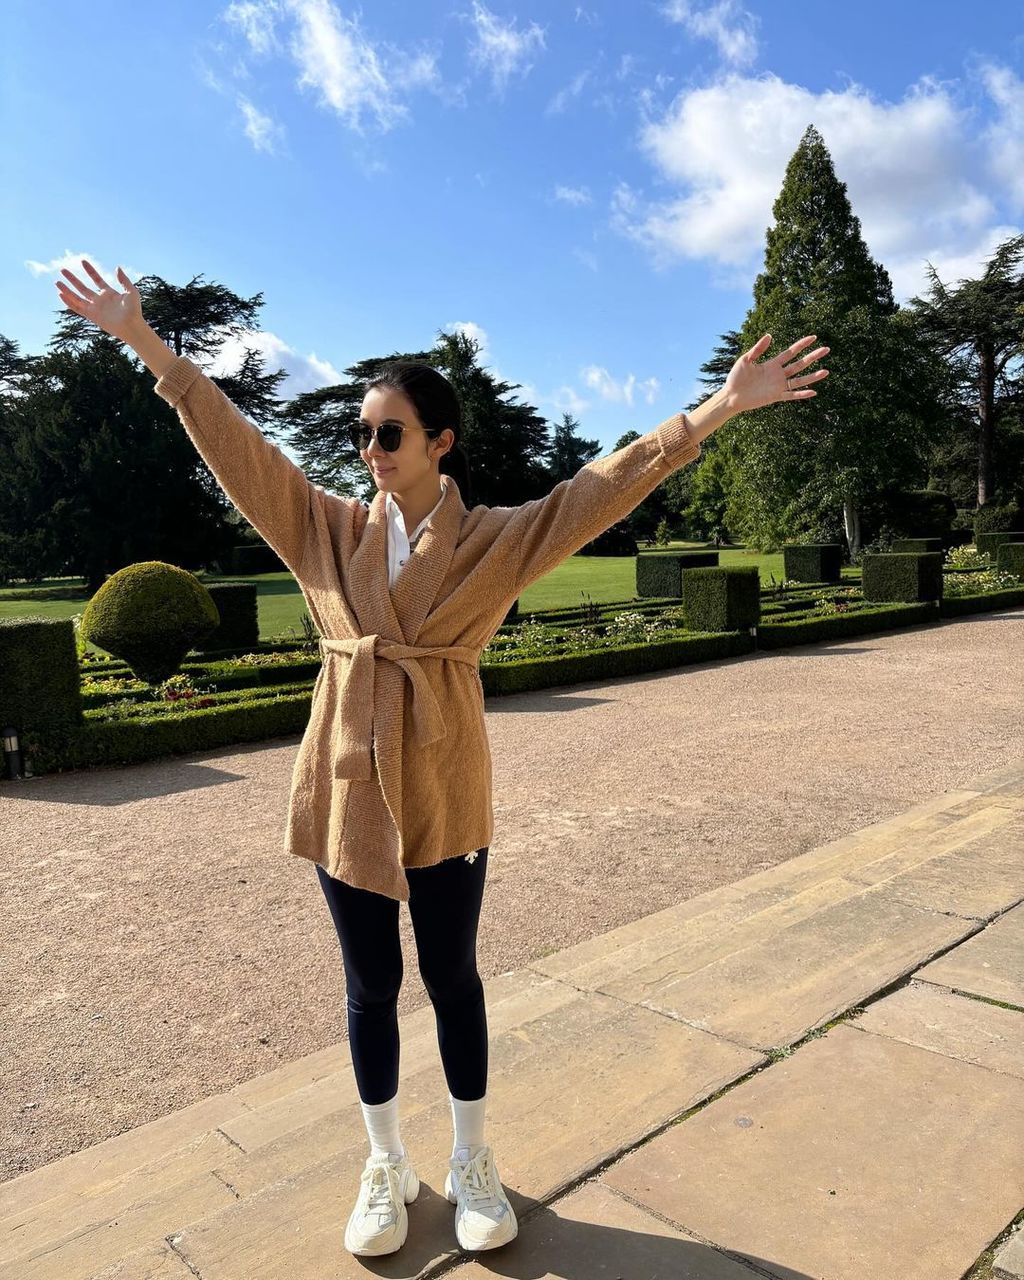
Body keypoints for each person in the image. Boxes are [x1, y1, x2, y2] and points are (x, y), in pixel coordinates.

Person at [54, 259, 829, 1257]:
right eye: (363, 434)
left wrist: (717, 409)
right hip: (346, 782)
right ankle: (385, 1163)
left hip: (444, 775)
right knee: (370, 982)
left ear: (439, 442)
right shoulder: (324, 529)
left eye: (390, 433)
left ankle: (472, 1158)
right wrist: (148, 344)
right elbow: (238, 448)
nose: (370, 450)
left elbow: (603, 487)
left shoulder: (496, 541)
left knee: (452, 976)